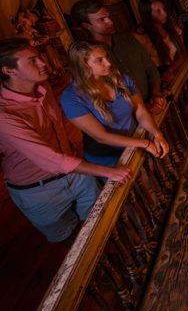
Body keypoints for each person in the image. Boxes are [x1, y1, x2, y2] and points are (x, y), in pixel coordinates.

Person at [0, 38, 132, 243]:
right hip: (38, 189)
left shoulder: (44, 88)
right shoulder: (5, 114)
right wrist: (108, 171)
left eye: (40, 57)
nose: (43, 63)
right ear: (9, 71)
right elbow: (51, 160)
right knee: (69, 239)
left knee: (102, 222)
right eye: (33, 60)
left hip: (76, 172)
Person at [61, 41, 169, 168]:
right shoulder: (71, 97)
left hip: (136, 145)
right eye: (99, 60)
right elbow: (101, 137)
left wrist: (157, 134)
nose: (108, 63)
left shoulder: (120, 80)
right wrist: (144, 143)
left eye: (107, 57)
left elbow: (140, 110)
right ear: (83, 65)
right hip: (110, 159)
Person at [71, 0, 164, 114]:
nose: (110, 22)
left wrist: (156, 94)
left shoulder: (127, 38)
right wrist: (139, 108)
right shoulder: (88, 55)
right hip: (128, 115)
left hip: (152, 102)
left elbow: (150, 67)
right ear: (86, 26)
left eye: (109, 17)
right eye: (101, 19)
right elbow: (101, 91)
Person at [134, 0, 186, 85]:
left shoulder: (170, 27)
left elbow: (181, 54)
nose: (164, 14)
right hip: (158, 79)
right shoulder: (141, 36)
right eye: (158, 11)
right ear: (148, 14)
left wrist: (170, 70)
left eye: (164, 9)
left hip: (173, 73)